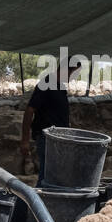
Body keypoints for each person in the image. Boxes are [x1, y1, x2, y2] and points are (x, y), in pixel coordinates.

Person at [20, 54, 84, 186]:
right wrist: (25, 140)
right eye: (75, 73)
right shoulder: (47, 83)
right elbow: (30, 110)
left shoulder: (60, 87)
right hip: (47, 138)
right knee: (47, 177)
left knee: (54, 176)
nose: (75, 77)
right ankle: (39, 204)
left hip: (58, 139)